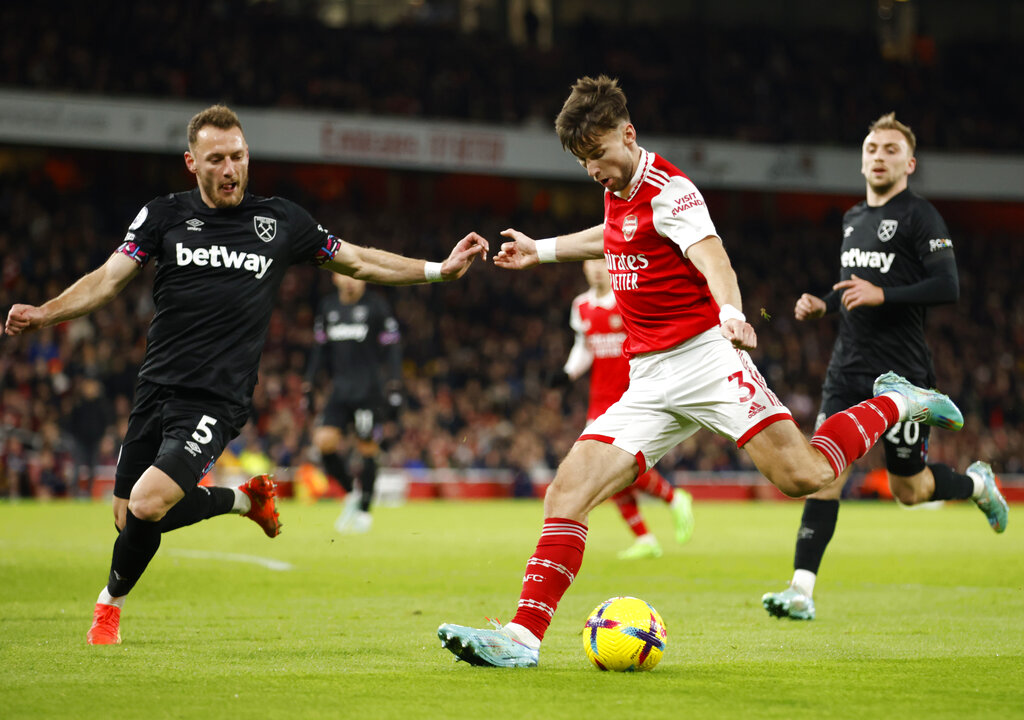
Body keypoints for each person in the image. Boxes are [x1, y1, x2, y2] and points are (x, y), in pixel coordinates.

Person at [436, 76, 965, 668]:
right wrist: (543, 249)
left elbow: (713, 257)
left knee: (804, 475)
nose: (593, 171)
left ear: (628, 134)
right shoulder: (618, 188)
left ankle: (896, 402)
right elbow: (613, 238)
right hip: (650, 378)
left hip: (707, 359)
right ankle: (522, 639)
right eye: (584, 162)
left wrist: (734, 314)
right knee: (568, 490)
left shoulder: (672, 190)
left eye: (599, 156)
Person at [3, 104, 488, 645]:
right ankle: (243, 500)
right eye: (216, 159)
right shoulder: (162, 215)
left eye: (238, 156)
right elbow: (106, 280)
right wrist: (45, 311)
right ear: (192, 163)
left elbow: (358, 260)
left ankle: (106, 612)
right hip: (155, 387)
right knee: (127, 519)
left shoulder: (279, 222)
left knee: (147, 504)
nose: (230, 168)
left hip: (216, 398)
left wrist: (436, 270)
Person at [761, 113, 1008, 621]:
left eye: (891, 150)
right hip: (848, 369)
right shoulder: (853, 217)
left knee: (909, 490)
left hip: (904, 380)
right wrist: (824, 303)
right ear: (861, 159)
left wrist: (884, 294)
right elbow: (853, 284)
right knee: (823, 472)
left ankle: (979, 486)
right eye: (872, 147)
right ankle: (801, 591)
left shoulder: (921, 217)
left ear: (909, 164)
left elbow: (948, 286)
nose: (879, 156)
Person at [559, 257, 694, 559]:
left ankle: (672, 499)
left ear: (611, 266)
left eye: (600, 262)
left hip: (633, 395)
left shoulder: (628, 299)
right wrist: (567, 373)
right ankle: (647, 536)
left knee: (612, 467)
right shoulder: (581, 305)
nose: (595, 268)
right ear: (583, 269)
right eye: (589, 263)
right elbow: (584, 346)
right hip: (600, 400)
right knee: (604, 472)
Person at [305, 273, 403, 534]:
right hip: (339, 390)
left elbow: (393, 346)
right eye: (343, 275)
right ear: (334, 277)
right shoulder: (328, 307)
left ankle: (364, 511)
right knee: (323, 441)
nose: (350, 281)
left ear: (364, 279)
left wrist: (394, 383)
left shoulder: (376, 306)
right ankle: (351, 493)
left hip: (368, 390)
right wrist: (309, 383)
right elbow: (319, 349)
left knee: (367, 447)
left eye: (354, 276)